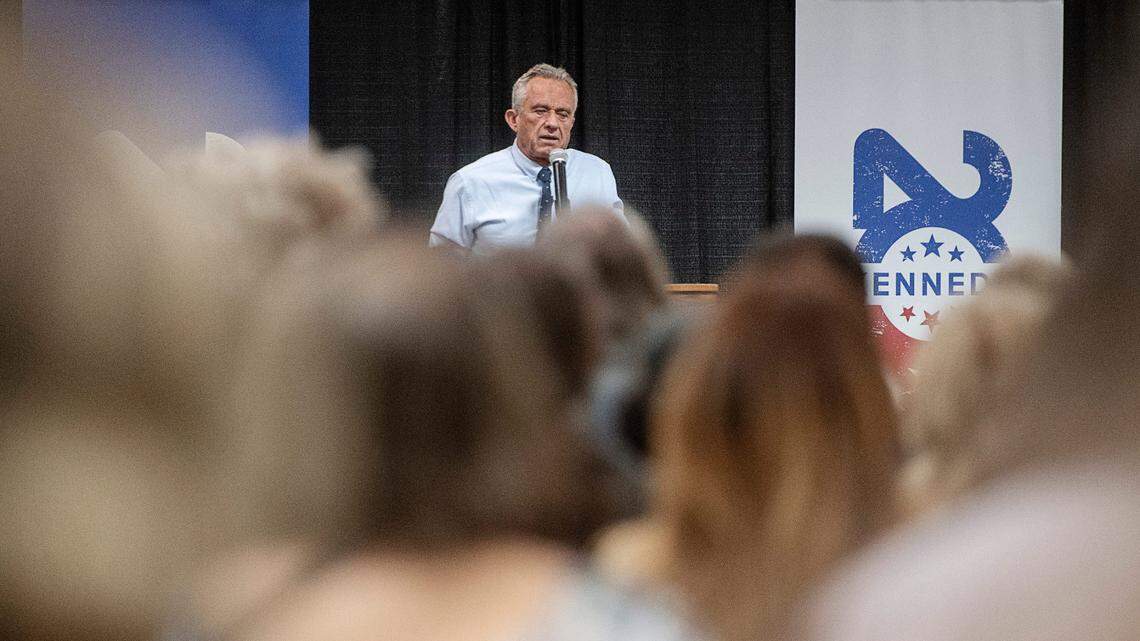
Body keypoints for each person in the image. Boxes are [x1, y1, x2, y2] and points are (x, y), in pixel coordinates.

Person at [430, 64, 623, 253]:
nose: (552, 123)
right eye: (540, 111)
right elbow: (441, 266)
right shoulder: (470, 182)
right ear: (514, 119)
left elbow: (621, 254)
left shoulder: (597, 173)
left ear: (571, 122)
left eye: (563, 114)